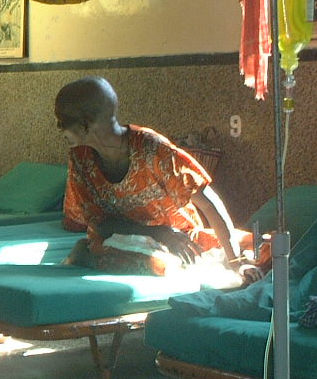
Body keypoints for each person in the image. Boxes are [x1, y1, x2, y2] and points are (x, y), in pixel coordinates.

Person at [55, 76, 258, 281]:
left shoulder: (153, 150)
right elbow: (99, 224)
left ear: (85, 124)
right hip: (121, 243)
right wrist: (157, 233)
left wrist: (236, 261)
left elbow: (209, 203)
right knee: (152, 262)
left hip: (179, 237)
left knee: (259, 247)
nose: (58, 127)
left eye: (62, 121)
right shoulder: (80, 158)